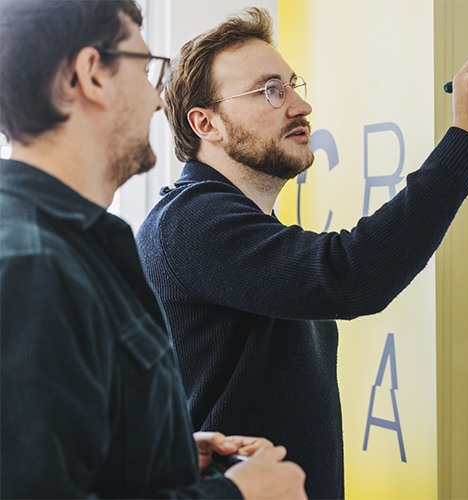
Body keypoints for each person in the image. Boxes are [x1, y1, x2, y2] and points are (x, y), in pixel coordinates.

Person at [136, 7, 468, 499]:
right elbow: (352, 274)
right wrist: (467, 137)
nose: (299, 106)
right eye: (270, 90)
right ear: (206, 123)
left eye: (294, 85)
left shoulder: (231, 222)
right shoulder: (190, 223)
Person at [0, 1, 306, 498]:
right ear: (92, 75)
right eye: (145, 70)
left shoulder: (93, 242)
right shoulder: (30, 266)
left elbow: (67, 451)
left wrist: (166, 452)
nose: (157, 101)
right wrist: (238, 495)